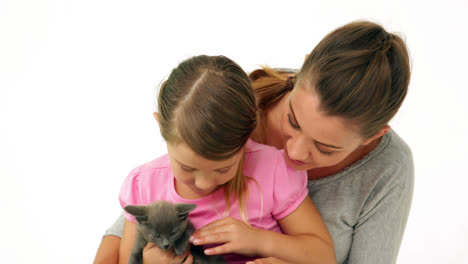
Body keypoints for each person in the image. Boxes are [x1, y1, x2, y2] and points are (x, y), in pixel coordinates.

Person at [94, 20, 413, 264]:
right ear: (301, 73)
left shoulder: (387, 171)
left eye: (325, 147)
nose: (294, 153)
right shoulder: (237, 102)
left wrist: (267, 245)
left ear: (374, 135)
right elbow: (134, 222)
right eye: (293, 120)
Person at [116, 54, 336, 264]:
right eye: (187, 167)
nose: (204, 183)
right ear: (160, 126)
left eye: (223, 169)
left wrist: (258, 240)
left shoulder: (273, 171)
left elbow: (323, 256)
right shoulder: (142, 186)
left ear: (248, 135)